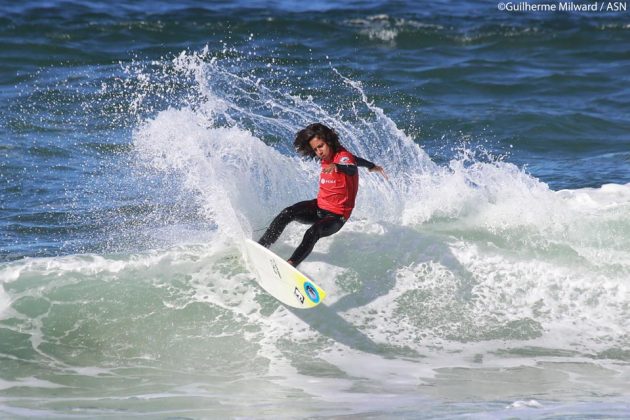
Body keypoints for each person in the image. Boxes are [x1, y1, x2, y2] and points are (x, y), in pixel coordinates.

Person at [258, 123, 386, 267]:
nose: (319, 151)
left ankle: (291, 264)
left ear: (329, 141)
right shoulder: (328, 156)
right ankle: (262, 246)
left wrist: (337, 166)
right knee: (288, 212)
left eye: (321, 146)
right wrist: (371, 166)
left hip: (336, 217)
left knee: (312, 232)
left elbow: (350, 167)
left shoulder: (343, 157)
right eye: (315, 149)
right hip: (319, 207)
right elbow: (356, 160)